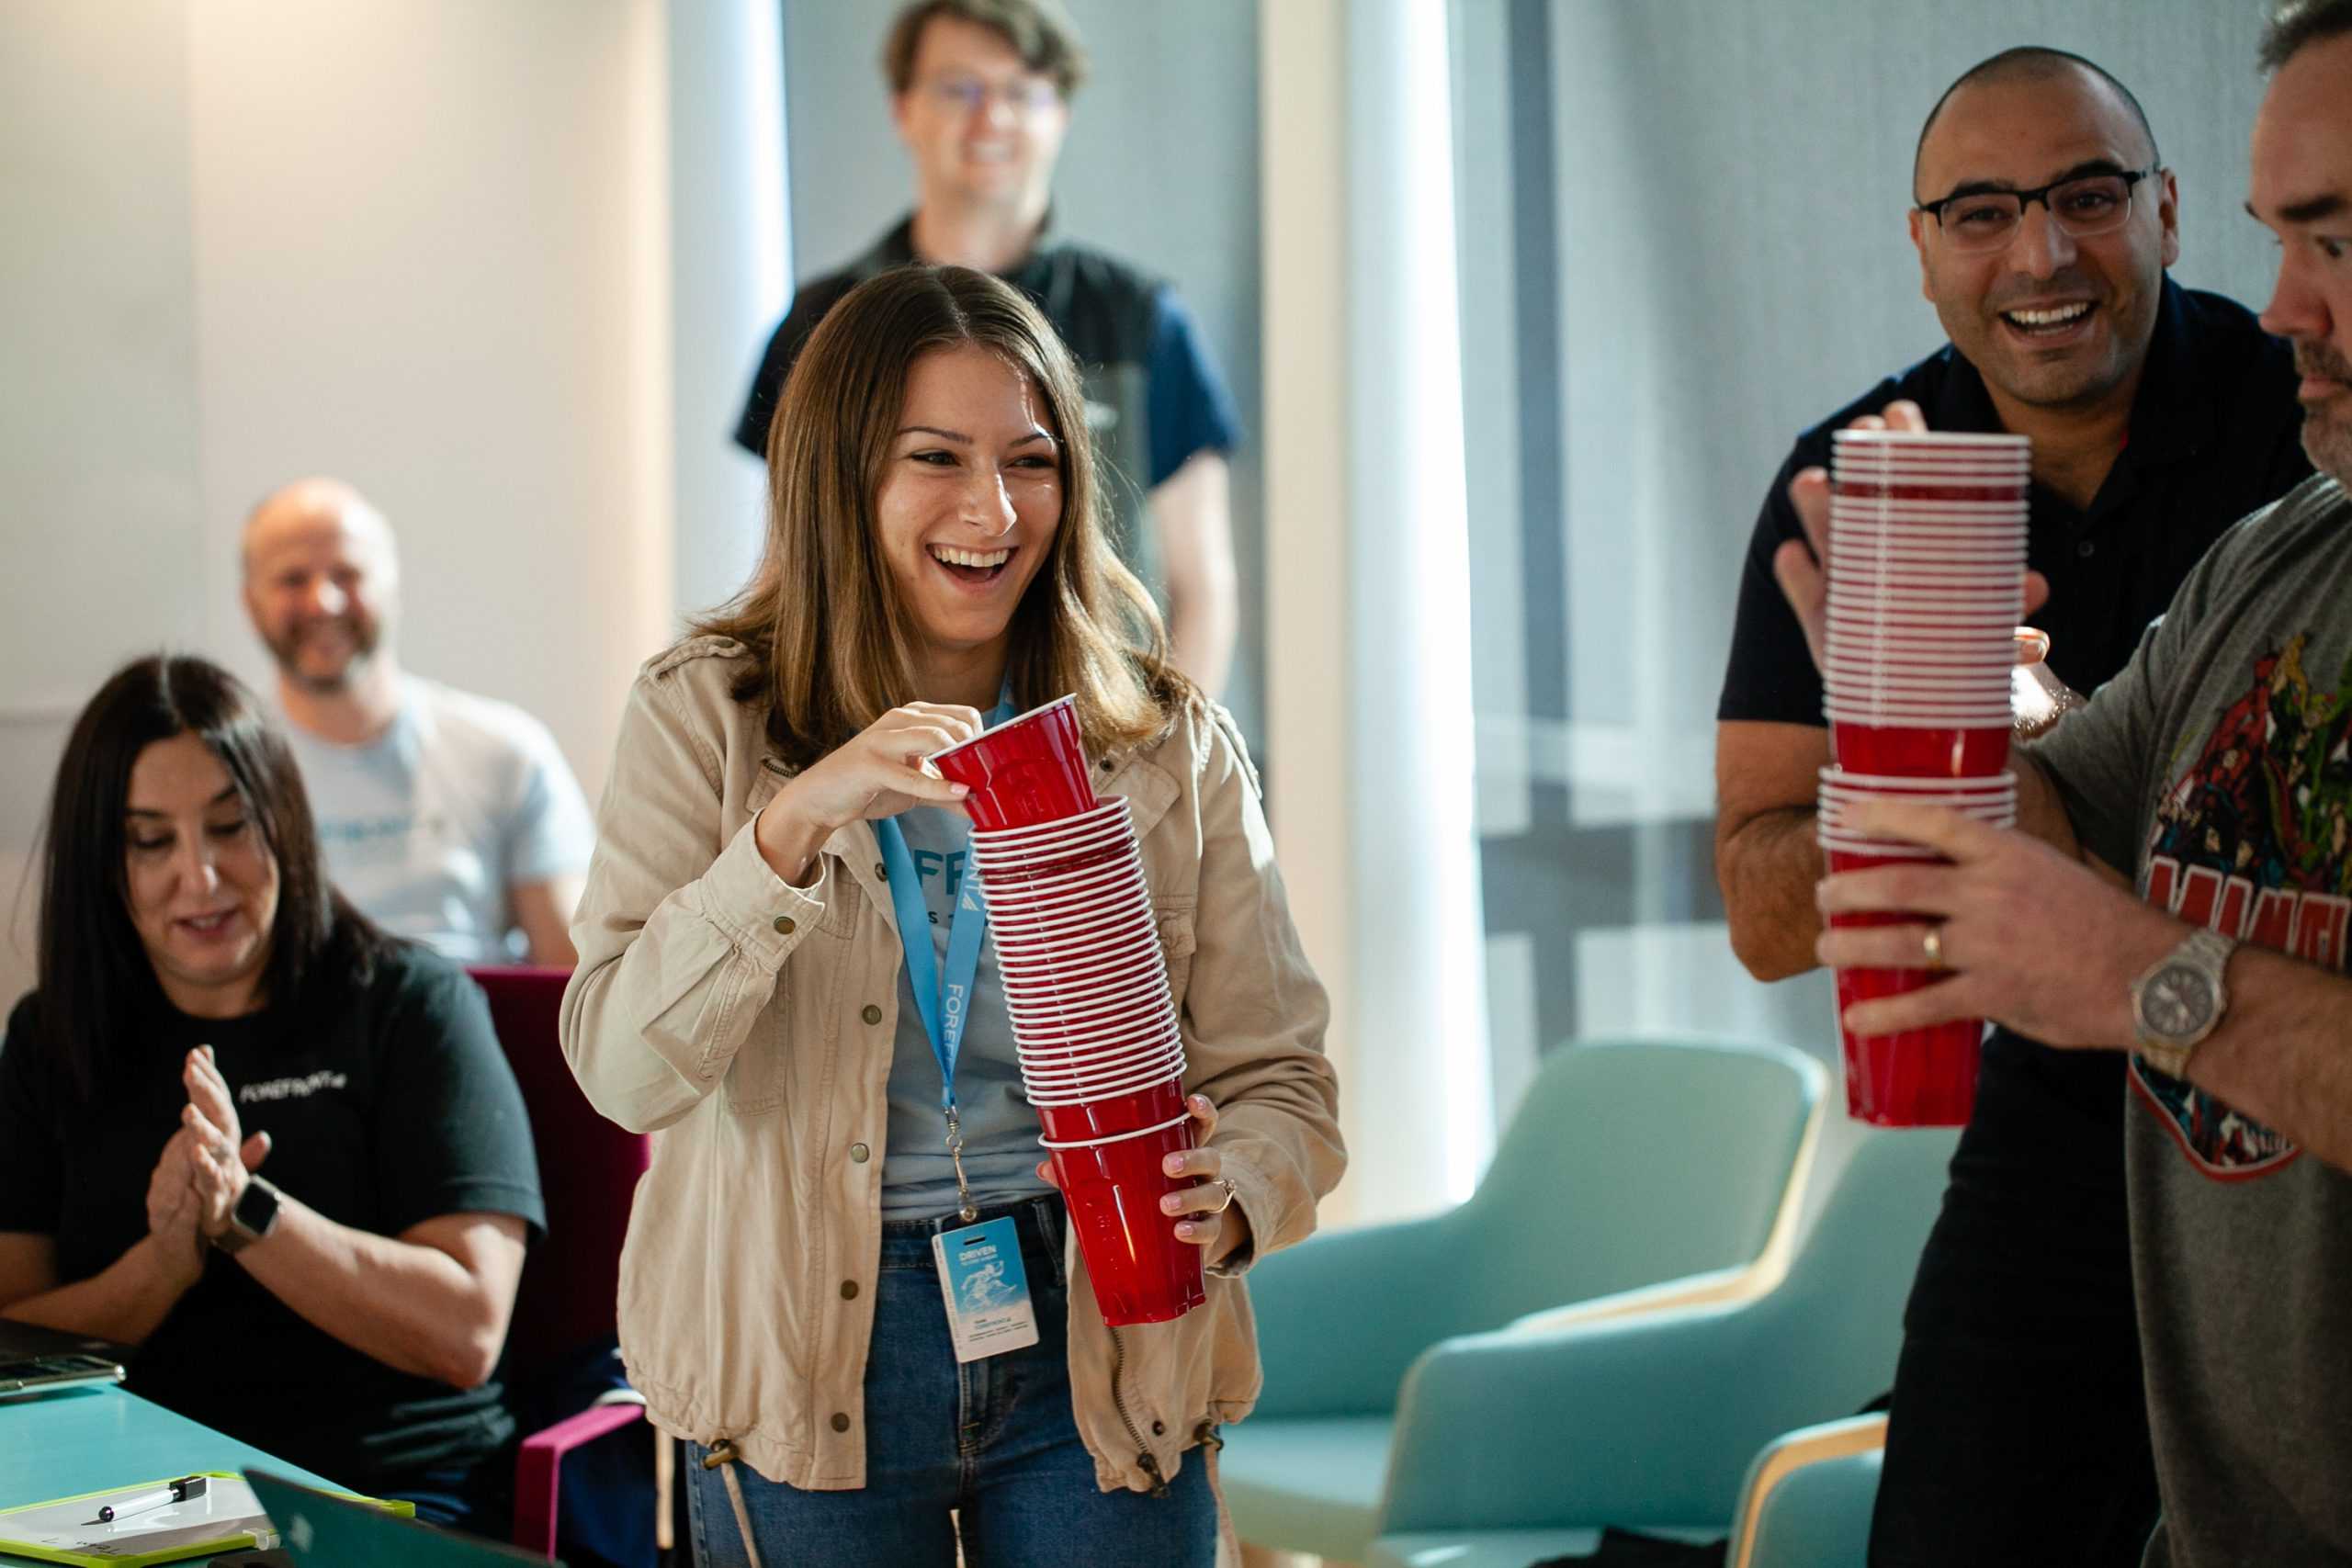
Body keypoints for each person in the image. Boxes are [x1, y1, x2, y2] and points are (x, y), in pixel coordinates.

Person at [564, 265, 1342, 1566]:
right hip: (813, 1340)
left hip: (1101, 1329)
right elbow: (622, 1068)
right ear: (841, 475)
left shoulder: (1165, 741)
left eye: (1031, 461)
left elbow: (1286, 1079)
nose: (993, 510)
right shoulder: (706, 715)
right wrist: (790, 828)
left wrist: (1245, 1179)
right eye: (937, 457)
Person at [1712, 47, 2311, 1564]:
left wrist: (2003, 738)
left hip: (2296, 1105)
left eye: (2088, 198)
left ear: (2172, 213)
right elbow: (1768, 915)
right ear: (1921, 251)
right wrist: (1921, 746)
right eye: (1982, 212)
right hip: (2057, 1105)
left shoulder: (2299, 440)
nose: (2041, 253)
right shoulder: (1869, 487)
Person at [0, 655, 545, 1527]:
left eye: (230, 826)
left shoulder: (410, 1003)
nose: (201, 876)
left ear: (284, 824)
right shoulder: (49, 1039)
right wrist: (161, 1266)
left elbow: (468, 1331)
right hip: (130, 1505)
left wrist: (248, 1215)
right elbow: (10, 1338)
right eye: (152, 840)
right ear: (107, 864)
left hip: (377, 1496)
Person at [733, 0, 1243, 695]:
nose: (991, 117)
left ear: (1059, 113)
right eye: (959, 88)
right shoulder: (821, 323)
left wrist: (1160, 773)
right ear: (903, 109)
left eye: (1020, 91)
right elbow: (784, 569)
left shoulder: (1142, 321)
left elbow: (1201, 583)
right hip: (869, 734)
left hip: (1088, 741)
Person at [242, 477, 596, 966]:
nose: (323, 601)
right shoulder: (224, 772)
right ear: (252, 601)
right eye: (292, 579)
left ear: (391, 585)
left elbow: (573, 980)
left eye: (347, 574)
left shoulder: (508, 753)